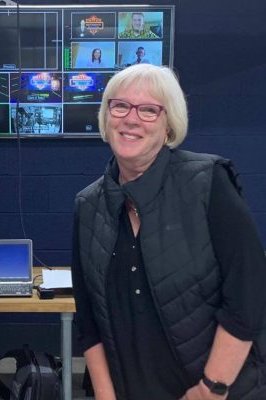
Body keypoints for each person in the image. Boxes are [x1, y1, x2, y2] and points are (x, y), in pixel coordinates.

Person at [71, 63, 266, 400]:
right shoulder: (87, 205)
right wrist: (105, 394)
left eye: (149, 110)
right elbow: (89, 322)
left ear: (169, 125)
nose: (131, 119)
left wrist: (211, 388)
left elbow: (249, 294)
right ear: (106, 116)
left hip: (220, 390)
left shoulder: (208, 182)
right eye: (120, 106)